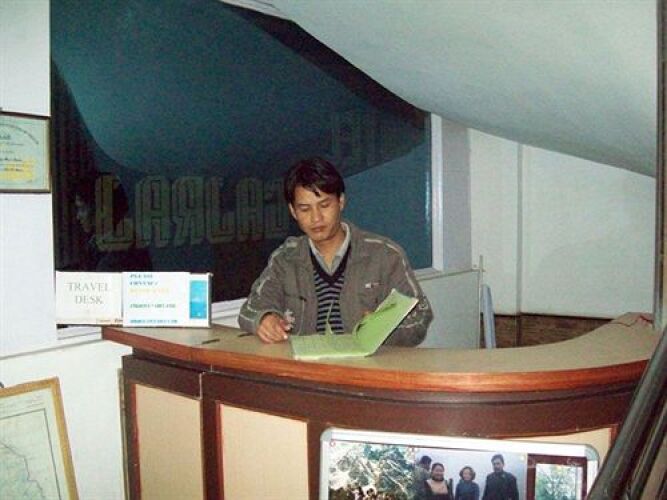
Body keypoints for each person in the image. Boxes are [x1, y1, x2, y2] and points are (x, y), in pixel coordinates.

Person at [239, 157, 433, 345]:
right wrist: (264, 319)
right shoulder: (285, 259)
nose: (316, 218)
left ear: (340, 202)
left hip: (367, 364)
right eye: (305, 209)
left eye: (324, 205)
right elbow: (251, 309)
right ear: (293, 211)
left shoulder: (385, 255)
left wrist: (383, 330)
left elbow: (420, 317)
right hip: (306, 365)